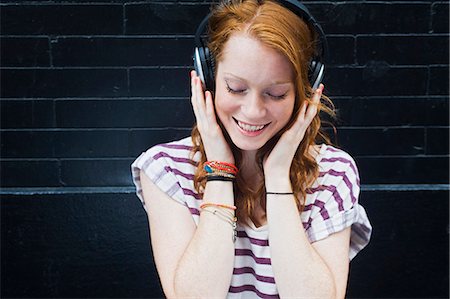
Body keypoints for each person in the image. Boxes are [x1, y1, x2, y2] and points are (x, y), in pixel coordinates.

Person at [131, 0, 372, 298]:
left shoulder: (333, 174)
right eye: (235, 88)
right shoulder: (165, 169)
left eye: (276, 93)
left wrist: (278, 176)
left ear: (303, 91)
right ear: (208, 79)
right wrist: (220, 171)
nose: (254, 111)